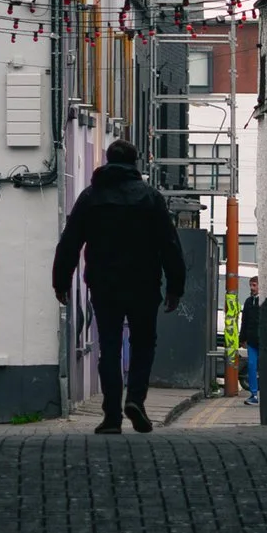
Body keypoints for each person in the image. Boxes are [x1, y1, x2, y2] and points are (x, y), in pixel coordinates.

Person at [51, 138, 186, 435]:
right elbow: (169, 244)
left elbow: (70, 242)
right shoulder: (150, 198)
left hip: (104, 284)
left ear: (108, 161)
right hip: (144, 284)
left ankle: (112, 415)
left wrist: (61, 281)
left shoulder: (91, 197)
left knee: (109, 347)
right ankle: (135, 399)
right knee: (143, 344)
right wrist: (176, 286)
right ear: (135, 163)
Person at [238, 290, 261, 408]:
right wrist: (242, 338)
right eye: (250, 285)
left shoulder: (264, 300)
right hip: (252, 341)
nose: (252, 288)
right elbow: (244, 321)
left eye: (254, 285)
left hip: (263, 341)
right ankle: (254, 395)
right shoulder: (248, 301)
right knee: (251, 366)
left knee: (265, 368)